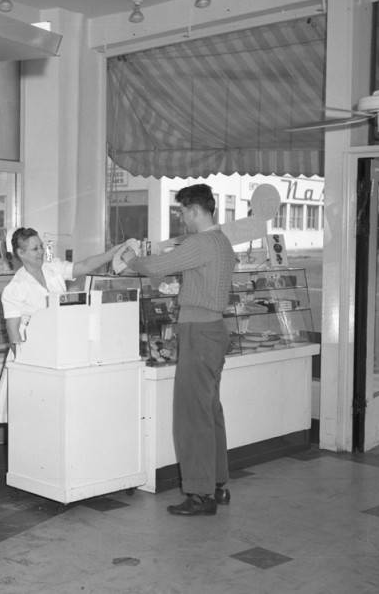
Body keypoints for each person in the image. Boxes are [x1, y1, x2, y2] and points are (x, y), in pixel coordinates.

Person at [120, 184, 236, 516]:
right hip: (213, 330)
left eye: (182, 211)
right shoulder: (221, 241)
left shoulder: (201, 242)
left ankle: (200, 495)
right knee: (209, 410)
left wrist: (131, 258)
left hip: (199, 332)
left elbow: (157, 267)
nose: (181, 217)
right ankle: (216, 482)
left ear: (195, 210)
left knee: (191, 415)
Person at [0, 228, 127, 422]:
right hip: (31, 355)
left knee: (58, 413)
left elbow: (84, 266)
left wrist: (112, 253)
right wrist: (28, 368)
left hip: (59, 347)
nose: (40, 252)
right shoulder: (15, 288)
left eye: (40, 247)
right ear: (20, 253)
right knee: (31, 415)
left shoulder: (52, 267)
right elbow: (14, 335)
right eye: (34, 249)